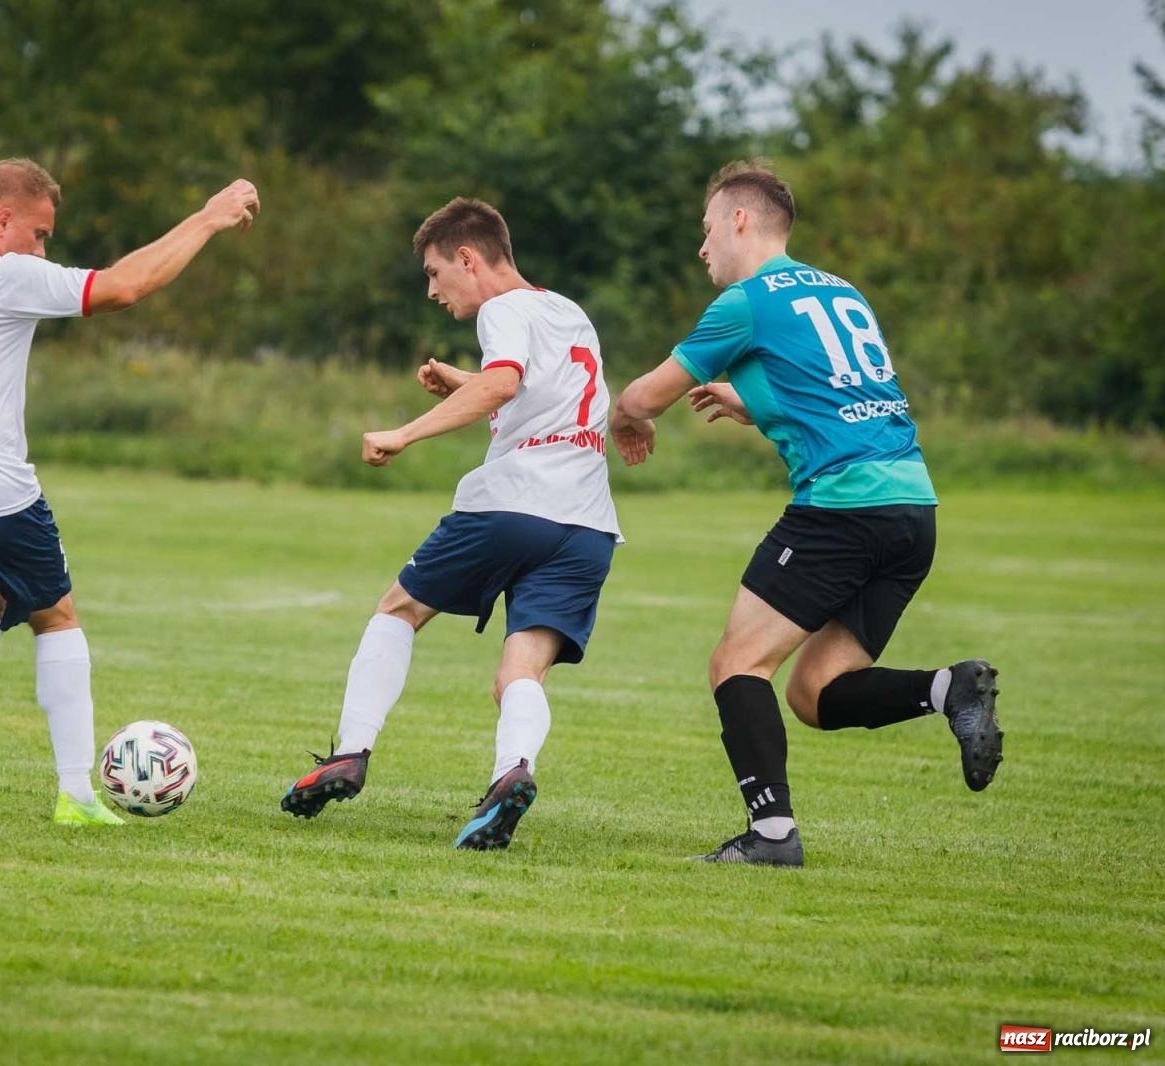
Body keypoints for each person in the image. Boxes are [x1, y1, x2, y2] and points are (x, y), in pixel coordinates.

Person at [609, 159, 1002, 867]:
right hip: (912, 509)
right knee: (815, 693)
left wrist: (628, 421)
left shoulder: (747, 302)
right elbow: (835, 399)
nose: (701, 249)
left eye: (705, 231)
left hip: (842, 511)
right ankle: (950, 689)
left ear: (739, 220)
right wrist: (752, 403)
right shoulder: (840, 289)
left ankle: (771, 837)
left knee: (737, 663)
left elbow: (643, 396)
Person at [0, 158, 259, 826]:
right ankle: (76, 795)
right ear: (2, 221)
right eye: (40, 234)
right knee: (57, 615)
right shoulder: (2, 270)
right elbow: (125, 287)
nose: (43, 250)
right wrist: (208, 218)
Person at [280, 197, 629, 850]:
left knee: (399, 608)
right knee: (519, 673)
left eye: (436, 273)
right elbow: (532, 391)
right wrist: (461, 380)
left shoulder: (501, 309)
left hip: (512, 504)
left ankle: (350, 752)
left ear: (469, 258)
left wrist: (405, 433)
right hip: (585, 526)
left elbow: (501, 387)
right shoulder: (567, 311)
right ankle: (511, 775)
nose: (433, 291)